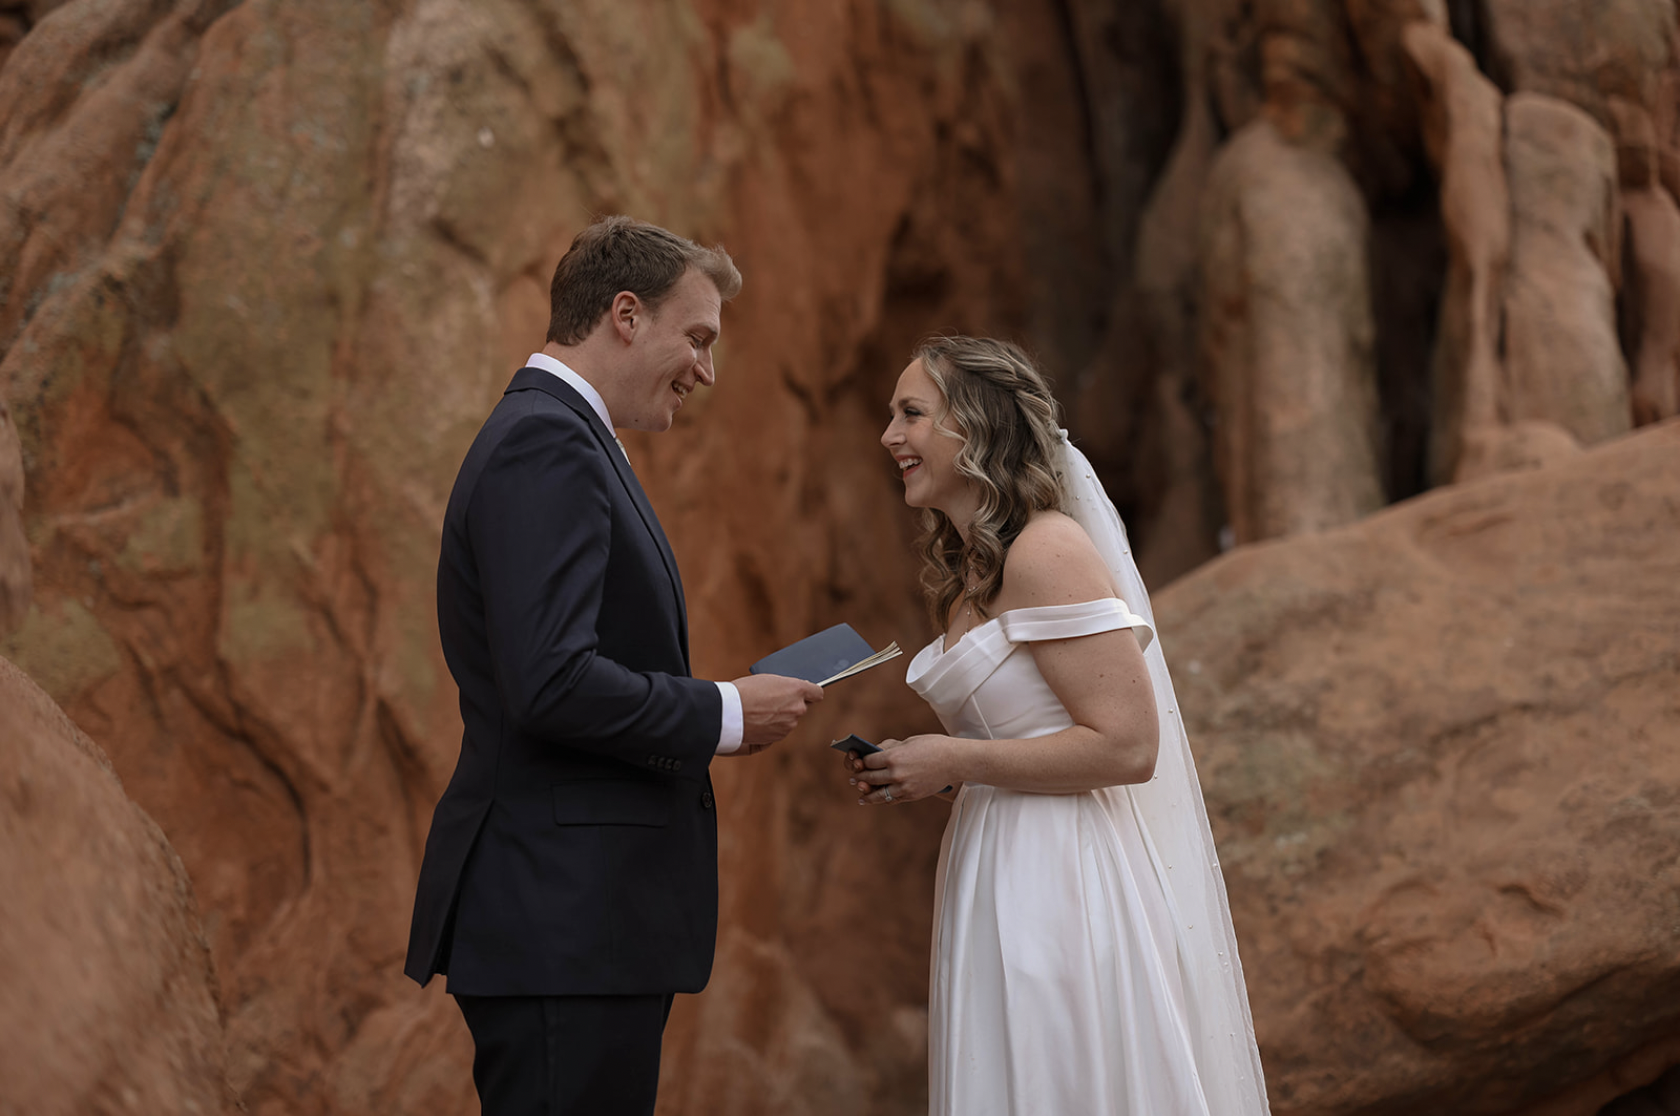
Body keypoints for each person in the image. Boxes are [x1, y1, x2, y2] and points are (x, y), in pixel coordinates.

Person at [404, 215, 824, 1116]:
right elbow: (550, 680)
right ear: (625, 316)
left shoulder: (568, 438)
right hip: (563, 923)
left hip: (583, 927)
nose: (708, 370)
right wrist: (725, 713)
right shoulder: (545, 442)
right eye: (698, 338)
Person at [850, 336, 1270, 1115]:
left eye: (911, 414)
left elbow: (1128, 745)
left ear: (973, 428)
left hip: (1064, 881)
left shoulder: (1046, 551)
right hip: (993, 862)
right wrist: (932, 768)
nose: (890, 437)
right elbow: (1023, 742)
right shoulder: (972, 571)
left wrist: (958, 757)